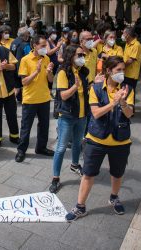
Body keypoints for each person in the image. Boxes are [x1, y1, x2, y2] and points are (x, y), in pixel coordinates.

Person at [65, 56, 134, 222]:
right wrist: (114, 103)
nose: (122, 73)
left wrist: (123, 103)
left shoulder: (127, 88)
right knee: (88, 174)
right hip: (97, 140)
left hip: (120, 140)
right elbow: (96, 113)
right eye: (118, 70)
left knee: (117, 173)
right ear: (109, 71)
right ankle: (80, 207)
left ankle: (114, 197)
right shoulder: (95, 88)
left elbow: (130, 114)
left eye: (123, 70)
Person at [50, 45, 90, 193]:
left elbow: (85, 92)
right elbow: (63, 96)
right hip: (67, 116)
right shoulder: (63, 73)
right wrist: (75, 87)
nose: (82, 57)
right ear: (70, 56)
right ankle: (55, 178)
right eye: (79, 55)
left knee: (78, 143)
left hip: (81, 115)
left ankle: (74, 164)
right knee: (61, 148)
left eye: (82, 55)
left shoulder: (83, 71)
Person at [15, 35, 55, 162]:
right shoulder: (25, 60)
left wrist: (49, 72)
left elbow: (50, 81)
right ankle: (21, 150)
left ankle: (41, 147)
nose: (45, 48)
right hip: (30, 99)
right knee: (26, 127)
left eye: (45, 45)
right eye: (42, 46)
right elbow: (24, 82)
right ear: (34, 46)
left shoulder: (47, 58)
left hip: (44, 98)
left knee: (44, 126)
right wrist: (36, 72)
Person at [122, 27, 141, 107]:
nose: (122, 35)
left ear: (128, 34)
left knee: (130, 93)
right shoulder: (127, 43)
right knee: (125, 92)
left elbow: (130, 60)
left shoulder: (136, 45)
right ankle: (125, 109)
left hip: (131, 74)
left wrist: (120, 66)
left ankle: (131, 111)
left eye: (123, 33)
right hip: (125, 73)